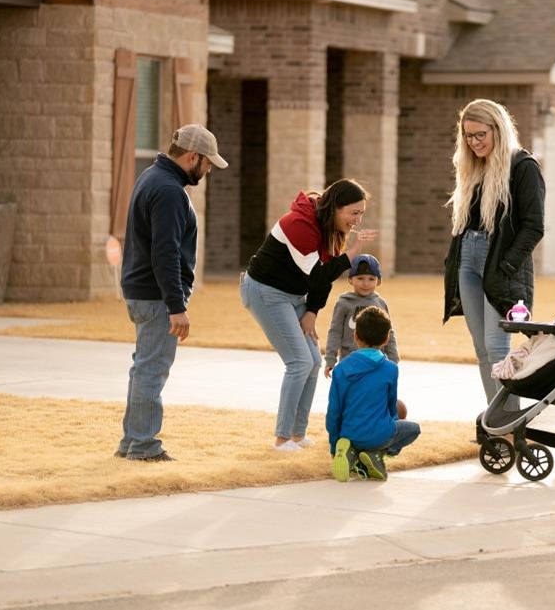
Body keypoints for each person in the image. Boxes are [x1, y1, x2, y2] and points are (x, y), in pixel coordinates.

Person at [116, 124, 228, 461]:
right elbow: (164, 253)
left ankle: (131, 442)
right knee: (152, 369)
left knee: (144, 367)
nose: (208, 170)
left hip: (142, 290)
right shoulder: (169, 191)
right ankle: (145, 447)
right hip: (156, 295)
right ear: (193, 156)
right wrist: (176, 306)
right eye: (207, 163)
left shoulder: (153, 177)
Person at [241, 179, 377, 452]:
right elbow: (317, 275)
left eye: (361, 213)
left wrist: (312, 312)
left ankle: (296, 435)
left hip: (293, 294)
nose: (357, 220)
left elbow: (321, 281)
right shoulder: (300, 225)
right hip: (266, 292)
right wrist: (352, 254)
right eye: (354, 213)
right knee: (299, 362)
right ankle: (281, 440)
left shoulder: (329, 225)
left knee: (314, 362)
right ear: (336, 208)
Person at [442, 99, 546, 402]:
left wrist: (507, 267)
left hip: (498, 263)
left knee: (497, 346)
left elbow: (534, 226)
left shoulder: (523, 166)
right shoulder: (472, 168)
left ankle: (510, 424)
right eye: (468, 136)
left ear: (497, 129)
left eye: (480, 135)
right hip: (467, 260)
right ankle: (497, 420)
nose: (473, 142)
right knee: (482, 349)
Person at [327, 306, 421, 482]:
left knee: (351, 425)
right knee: (414, 429)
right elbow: (390, 405)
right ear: (386, 339)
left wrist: (334, 445)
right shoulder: (391, 369)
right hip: (380, 434)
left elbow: (334, 410)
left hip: (349, 434)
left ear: (355, 336)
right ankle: (377, 453)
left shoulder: (341, 369)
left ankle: (350, 452)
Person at [323, 254, 399, 378]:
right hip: (350, 362)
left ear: (378, 281)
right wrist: (330, 360)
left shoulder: (381, 303)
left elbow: (389, 332)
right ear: (350, 279)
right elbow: (335, 332)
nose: (365, 283)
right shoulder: (344, 303)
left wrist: (393, 358)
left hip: (376, 363)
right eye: (360, 278)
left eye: (371, 279)